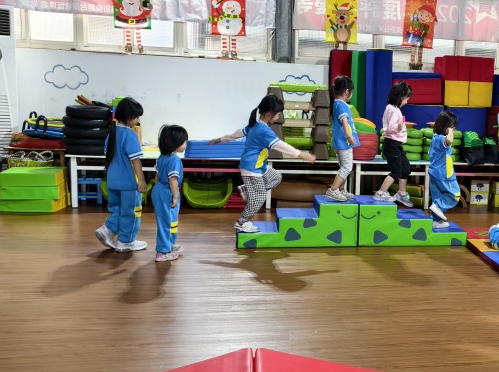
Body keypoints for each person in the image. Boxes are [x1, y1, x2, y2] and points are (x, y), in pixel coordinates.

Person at [211, 95, 317, 233]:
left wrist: (220, 139)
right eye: (278, 114)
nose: (278, 117)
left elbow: (236, 134)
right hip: (252, 167)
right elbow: (281, 146)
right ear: (270, 113)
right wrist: (302, 154)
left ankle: (247, 190)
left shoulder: (254, 125)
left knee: (276, 177)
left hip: (259, 166)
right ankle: (242, 222)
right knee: (260, 198)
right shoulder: (264, 130)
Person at [95, 97, 147, 252]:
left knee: (116, 209)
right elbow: (135, 160)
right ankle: (126, 241)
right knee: (130, 212)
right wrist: (142, 180)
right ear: (130, 118)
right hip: (128, 183)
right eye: (137, 117)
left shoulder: (111, 134)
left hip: (112, 181)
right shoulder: (130, 134)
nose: (138, 121)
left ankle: (107, 229)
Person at [151, 124, 188, 263]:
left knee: (171, 220)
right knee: (166, 222)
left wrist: (157, 191)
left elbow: (157, 176)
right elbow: (173, 180)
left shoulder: (162, 157)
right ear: (176, 143)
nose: (186, 144)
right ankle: (162, 252)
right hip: (168, 191)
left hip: (159, 189)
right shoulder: (174, 160)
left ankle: (170, 244)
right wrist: (175, 196)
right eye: (184, 142)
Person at [374, 82, 413, 206]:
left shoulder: (396, 110)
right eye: (406, 98)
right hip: (391, 144)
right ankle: (380, 193)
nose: (407, 101)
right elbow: (390, 128)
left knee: (405, 169)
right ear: (400, 97)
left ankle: (402, 194)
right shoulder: (392, 109)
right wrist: (399, 126)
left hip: (396, 144)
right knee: (396, 171)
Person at [326, 76, 359, 201]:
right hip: (344, 142)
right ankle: (333, 190)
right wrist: (349, 136)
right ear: (347, 92)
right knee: (347, 167)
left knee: (344, 167)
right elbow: (344, 121)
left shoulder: (336, 104)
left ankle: (341, 189)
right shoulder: (341, 105)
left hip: (340, 142)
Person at [427, 110, 459, 228]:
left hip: (435, 172)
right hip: (444, 174)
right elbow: (449, 140)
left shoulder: (435, 138)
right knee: (455, 195)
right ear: (447, 127)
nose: (454, 130)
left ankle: (436, 221)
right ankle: (438, 206)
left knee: (438, 196)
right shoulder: (441, 139)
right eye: (453, 127)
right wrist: (449, 130)